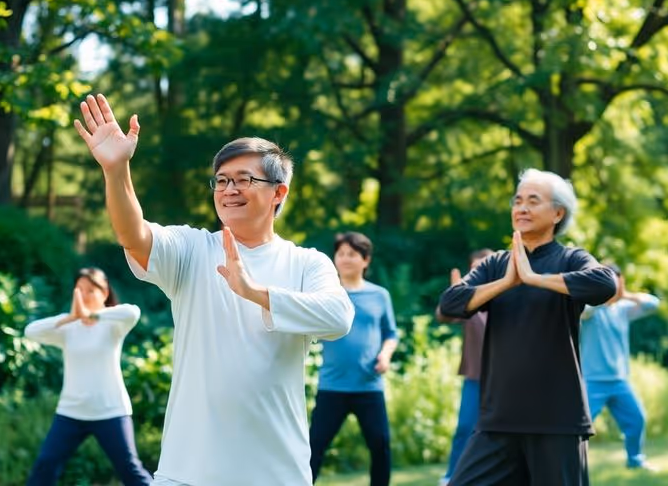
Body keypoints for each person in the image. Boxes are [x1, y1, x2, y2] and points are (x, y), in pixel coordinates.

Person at [73, 93, 354, 485]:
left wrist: (255, 291)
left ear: (279, 192)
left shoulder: (306, 263)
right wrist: (116, 170)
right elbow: (132, 234)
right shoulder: (192, 248)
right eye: (221, 180)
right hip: (187, 472)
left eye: (244, 179)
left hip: (276, 472)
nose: (228, 189)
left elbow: (338, 318)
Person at [439, 168, 617, 486]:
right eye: (517, 200)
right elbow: (451, 303)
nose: (522, 208)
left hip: (558, 421)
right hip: (498, 421)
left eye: (533, 201)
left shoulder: (571, 258)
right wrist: (506, 282)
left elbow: (604, 284)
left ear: (558, 213)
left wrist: (535, 279)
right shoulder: (496, 264)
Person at [25, 267, 153, 485]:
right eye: (79, 290)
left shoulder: (113, 325)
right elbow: (31, 331)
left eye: (91, 290)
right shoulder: (69, 326)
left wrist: (92, 315)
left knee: (130, 470)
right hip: (71, 412)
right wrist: (71, 318)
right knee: (45, 466)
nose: (84, 295)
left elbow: (133, 312)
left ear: (104, 293)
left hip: (110, 411)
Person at [309, 232, 398, 485]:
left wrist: (385, 354)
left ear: (366, 260)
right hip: (332, 386)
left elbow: (390, 333)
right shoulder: (326, 294)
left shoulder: (380, 295)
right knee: (313, 447)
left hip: (369, 386)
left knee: (380, 445)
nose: (345, 259)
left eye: (352, 254)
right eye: (341, 253)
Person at [580, 262, 660, 470]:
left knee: (636, 419)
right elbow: (585, 312)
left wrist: (625, 295)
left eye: (616, 281)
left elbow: (653, 303)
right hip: (592, 381)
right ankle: (572, 463)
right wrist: (603, 296)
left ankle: (635, 460)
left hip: (619, 381)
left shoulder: (623, 309)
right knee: (579, 428)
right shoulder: (590, 309)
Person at [435, 248, 494, 486]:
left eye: (484, 265)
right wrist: (454, 294)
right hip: (474, 377)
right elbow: (443, 316)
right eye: (475, 266)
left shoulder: (507, 296)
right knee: (465, 428)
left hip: (504, 379)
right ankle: (452, 476)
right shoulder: (467, 300)